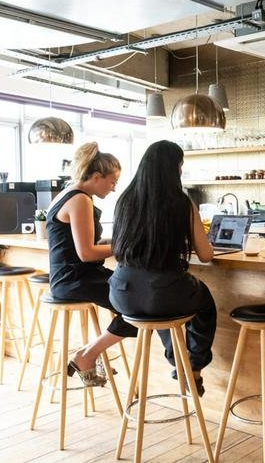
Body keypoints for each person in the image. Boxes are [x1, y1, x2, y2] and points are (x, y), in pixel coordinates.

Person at [108, 140, 216, 395]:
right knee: (203, 304)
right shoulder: (181, 202)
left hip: (121, 293)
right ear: (173, 169)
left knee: (162, 307)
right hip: (162, 292)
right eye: (179, 166)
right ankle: (193, 368)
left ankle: (179, 361)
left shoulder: (125, 200)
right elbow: (206, 254)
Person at [47, 142, 137, 387]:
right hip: (76, 279)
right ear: (97, 177)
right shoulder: (81, 200)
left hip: (69, 277)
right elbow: (86, 253)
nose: (114, 188)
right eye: (112, 181)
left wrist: (116, 241)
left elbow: (80, 244)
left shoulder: (68, 194)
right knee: (140, 306)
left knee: (135, 299)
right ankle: (87, 355)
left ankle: (89, 354)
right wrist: (126, 247)